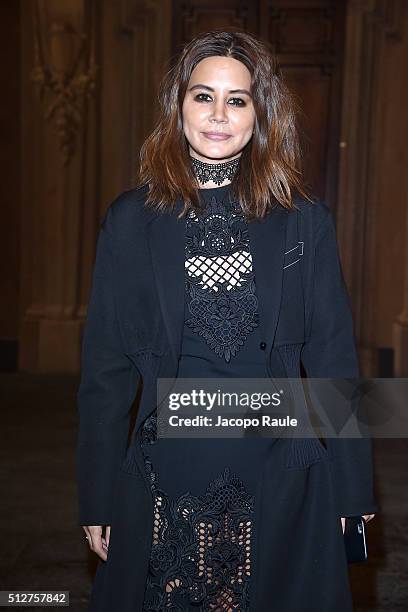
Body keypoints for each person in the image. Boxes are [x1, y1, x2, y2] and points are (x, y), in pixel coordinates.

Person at [76, 30, 378, 612]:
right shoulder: (130, 221)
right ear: (178, 106)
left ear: (259, 114)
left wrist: (353, 486)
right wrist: (97, 497)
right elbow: (105, 374)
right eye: (203, 96)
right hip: (167, 473)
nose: (218, 115)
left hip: (280, 472)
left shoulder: (302, 220)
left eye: (237, 100)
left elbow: (335, 358)